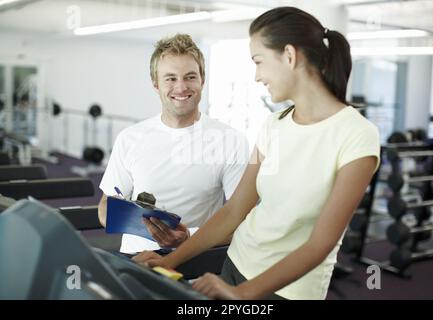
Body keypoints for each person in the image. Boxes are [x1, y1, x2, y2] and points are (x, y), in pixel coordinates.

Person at [133, 6, 380, 300]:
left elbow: (320, 243)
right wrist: (169, 260)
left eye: (259, 62)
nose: (257, 76)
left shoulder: (357, 134)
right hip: (236, 265)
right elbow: (234, 210)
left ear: (289, 56)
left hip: (288, 291)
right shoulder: (274, 124)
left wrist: (243, 294)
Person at [98, 34, 249, 253]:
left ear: (202, 80)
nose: (181, 87)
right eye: (170, 78)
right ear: (155, 84)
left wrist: (188, 237)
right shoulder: (129, 138)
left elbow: (242, 223)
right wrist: (122, 220)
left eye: (190, 77)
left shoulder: (231, 141)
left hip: (194, 267)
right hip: (135, 264)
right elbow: (106, 206)